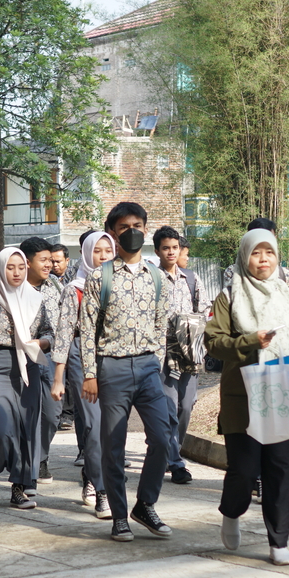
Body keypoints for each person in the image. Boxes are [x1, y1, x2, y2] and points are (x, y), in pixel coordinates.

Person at [204, 228, 289, 567]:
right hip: (243, 396)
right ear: (245, 257)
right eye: (256, 254)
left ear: (277, 257)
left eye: (269, 253)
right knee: (243, 469)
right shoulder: (229, 296)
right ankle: (231, 511)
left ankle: (278, 540)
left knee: (280, 470)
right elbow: (214, 342)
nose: (263, 260)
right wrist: (250, 342)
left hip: (285, 391)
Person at [81, 202, 174, 542]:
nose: (131, 230)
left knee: (163, 439)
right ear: (113, 233)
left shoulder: (158, 277)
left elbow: (161, 326)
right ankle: (120, 516)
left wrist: (157, 366)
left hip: (149, 367)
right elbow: (88, 328)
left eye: (137, 224)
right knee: (113, 445)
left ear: (146, 229)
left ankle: (145, 504)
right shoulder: (99, 277)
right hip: (112, 368)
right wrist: (90, 374)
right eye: (124, 226)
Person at [0, 248, 54, 510]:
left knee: (27, 430)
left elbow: (49, 331)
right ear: (1, 268)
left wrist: (42, 341)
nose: (16, 272)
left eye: (20, 267)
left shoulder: (34, 297)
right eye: (10, 267)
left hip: (28, 366)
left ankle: (19, 488)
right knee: (2, 427)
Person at [51, 230, 115, 518]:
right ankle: (100, 489)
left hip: (113, 355)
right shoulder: (73, 289)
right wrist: (58, 376)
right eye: (97, 251)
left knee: (111, 427)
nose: (103, 256)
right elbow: (64, 335)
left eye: (108, 251)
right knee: (92, 423)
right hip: (79, 354)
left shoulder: (120, 284)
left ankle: (93, 474)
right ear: (87, 253)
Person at [153, 225, 210, 485]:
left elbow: (204, 308)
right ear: (157, 251)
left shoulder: (191, 278)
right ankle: (176, 463)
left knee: (186, 407)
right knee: (168, 410)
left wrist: (199, 337)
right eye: (166, 248)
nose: (171, 252)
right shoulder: (150, 277)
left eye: (175, 247)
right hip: (162, 353)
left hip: (189, 352)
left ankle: (167, 451)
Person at [19, 237, 62, 487]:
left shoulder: (55, 285)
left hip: (50, 357)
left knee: (52, 414)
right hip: (18, 358)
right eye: (44, 260)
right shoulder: (13, 286)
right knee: (24, 414)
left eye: (51, 260)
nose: (49, 265)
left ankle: (40, 456)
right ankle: (28, 463)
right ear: (28, 261)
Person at [48, 244, 76, 431]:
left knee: (72, 376)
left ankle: (68, 414)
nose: (54, 265)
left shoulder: (76, 279)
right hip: (52, 333)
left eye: (58, 261)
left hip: (73, 334)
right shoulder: (47, 280)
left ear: (67, 260)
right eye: (51, 261)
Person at [221, 218, 289, 287]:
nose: (263, 259)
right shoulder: (233, 273)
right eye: (256, 253)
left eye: (269, 238)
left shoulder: (285, 275)